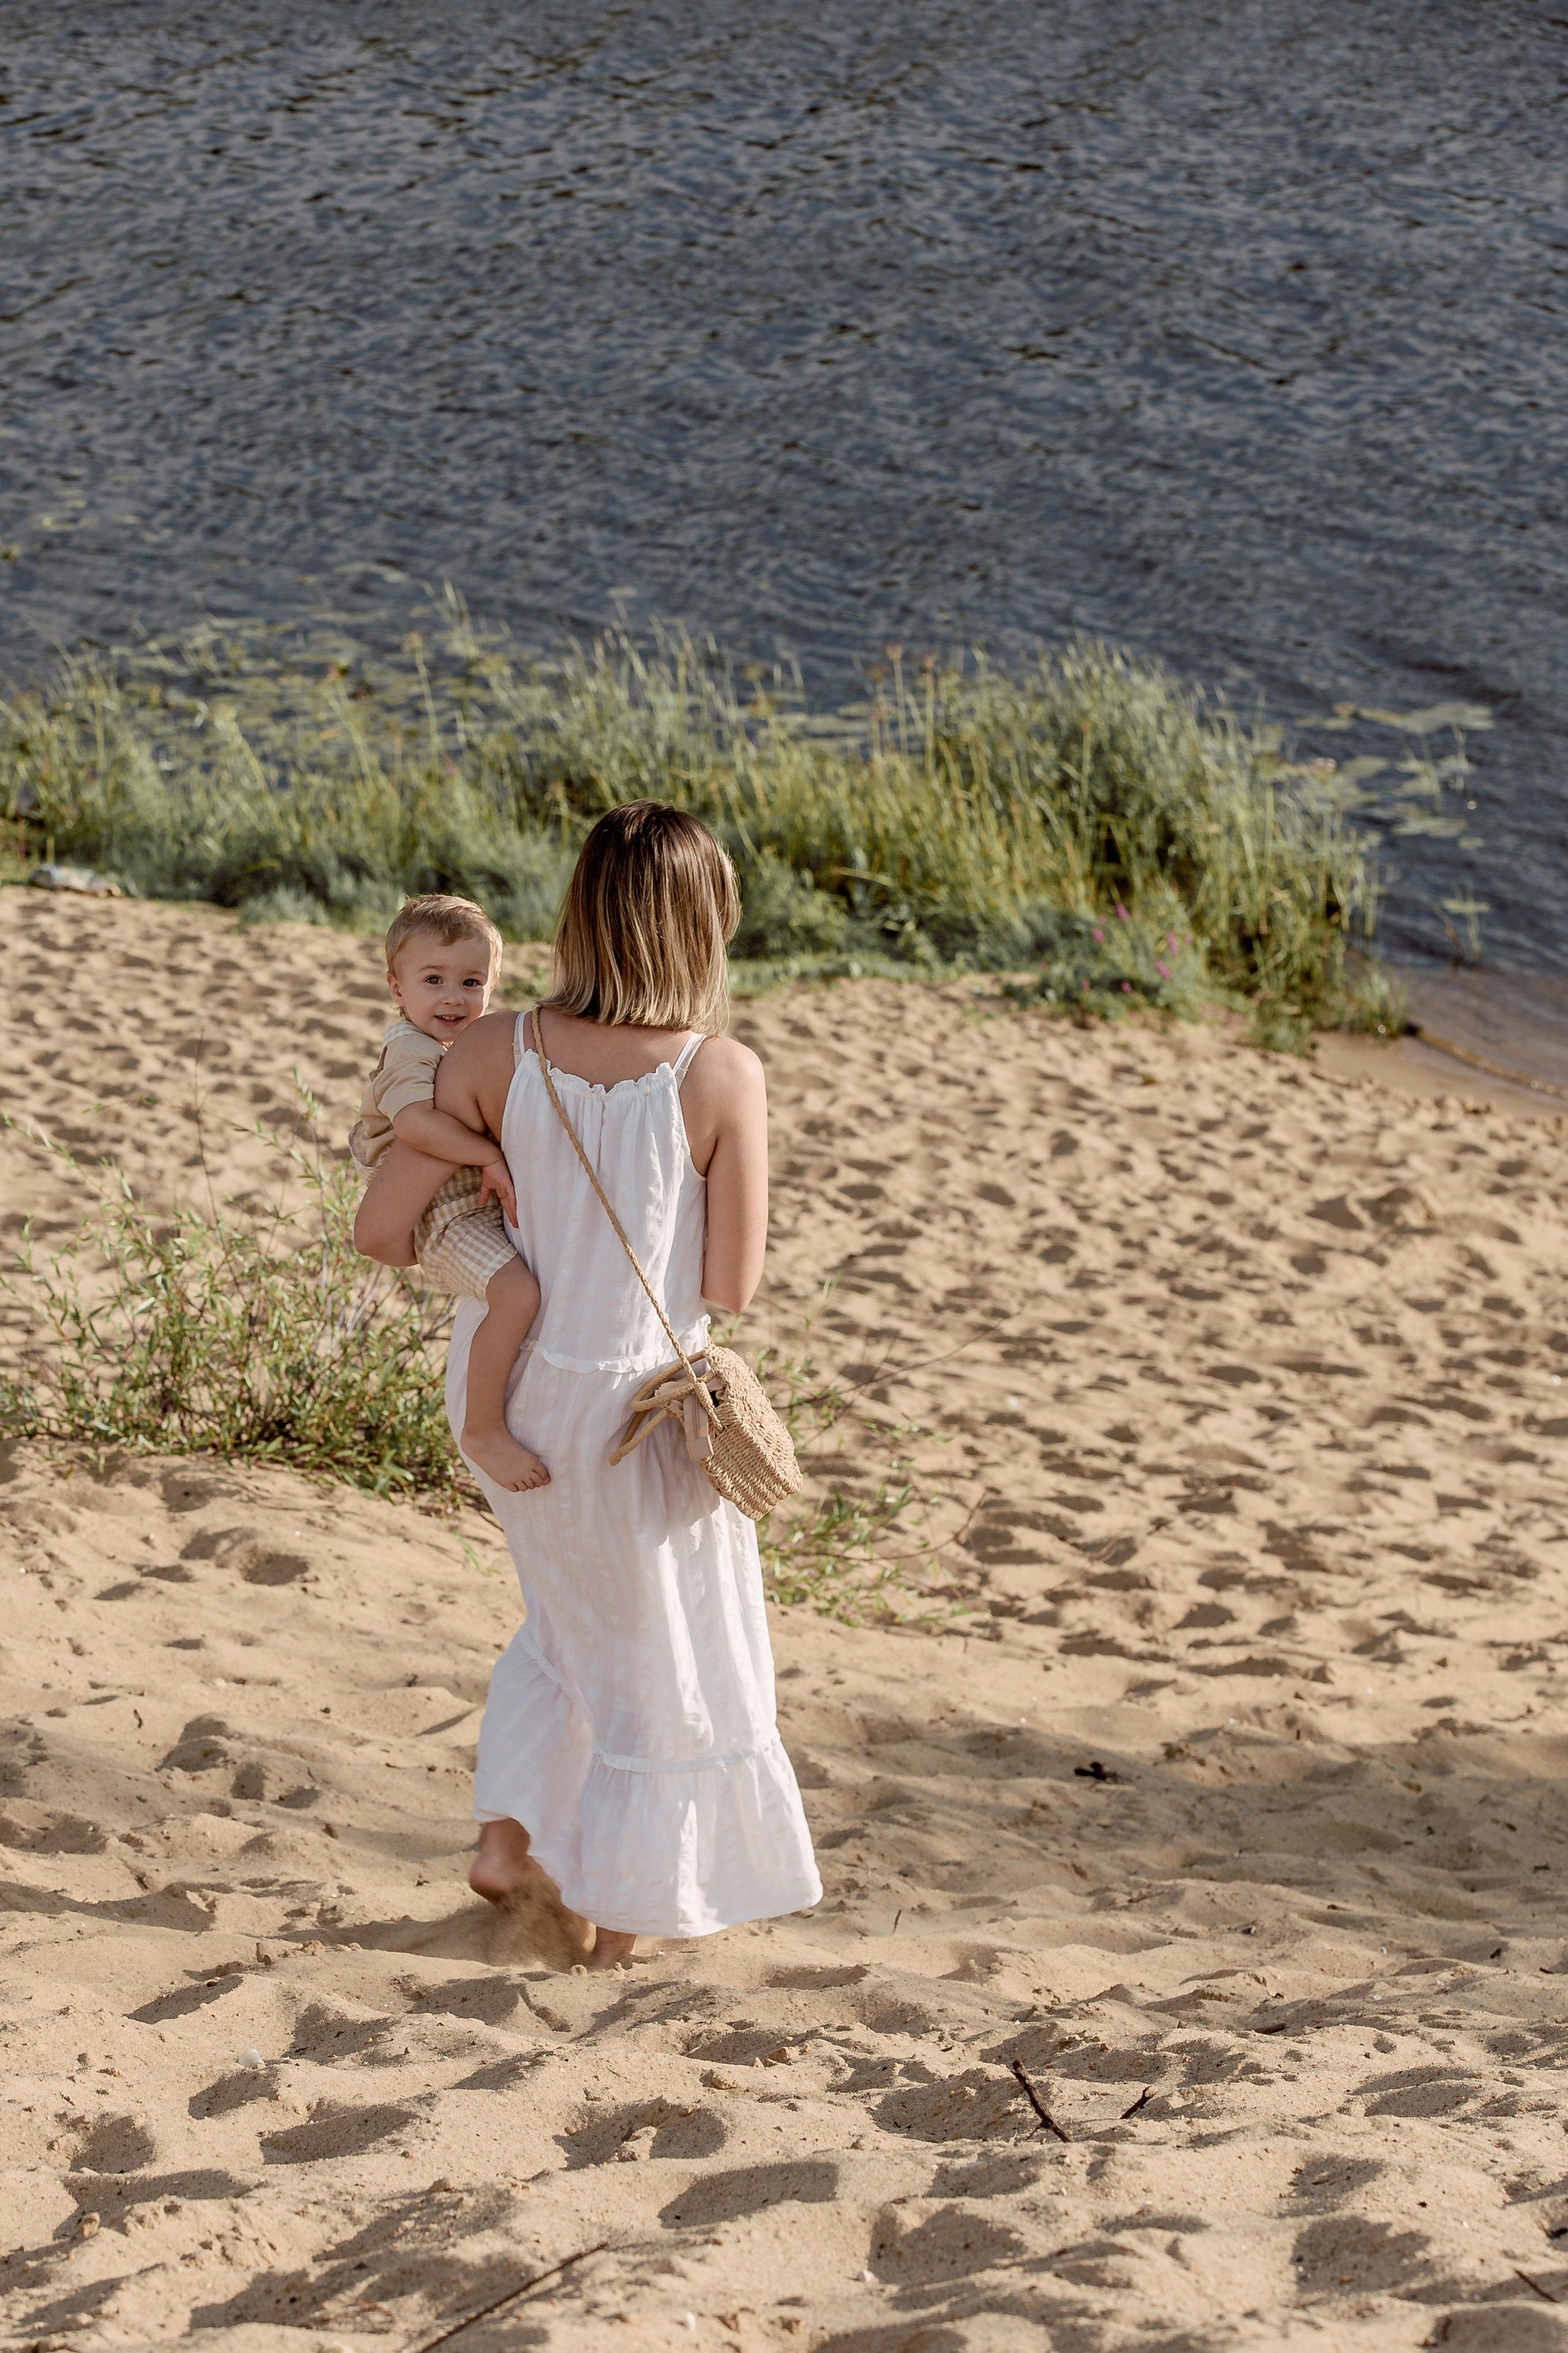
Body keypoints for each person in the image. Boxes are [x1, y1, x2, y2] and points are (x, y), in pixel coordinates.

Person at [354, 804, 821, 1967]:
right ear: (706, 924)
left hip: (509, 1393)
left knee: (569, 1622)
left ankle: (509, 1844)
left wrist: (486, 1161)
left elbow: (378, 1229)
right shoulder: (720, 1072)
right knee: (664, 1657)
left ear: (582, 914)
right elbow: (734, 1282)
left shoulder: (488, 1050)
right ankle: (619, 1933)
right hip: (636, 1407)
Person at [350, 894, 548, 1494]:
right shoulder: (410, 1050)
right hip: (442, 1216)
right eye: (433, 980)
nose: (454, 998)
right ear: (396, 988)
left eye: (472, 981)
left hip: (470, 1206)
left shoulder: (457, 1047)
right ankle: (482, 1428)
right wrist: (488, 1153)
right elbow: (415, 1126)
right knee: (517, 1295)